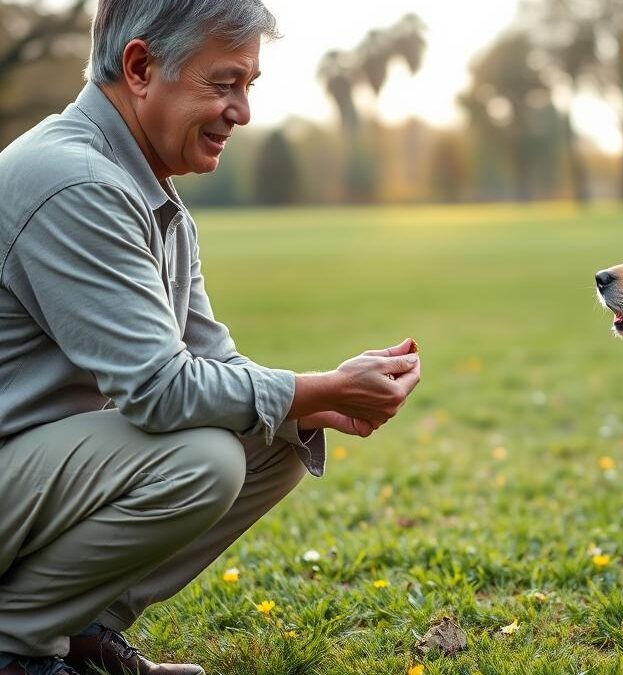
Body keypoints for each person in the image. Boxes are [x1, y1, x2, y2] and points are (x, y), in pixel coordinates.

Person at [0, 1, 421, 673]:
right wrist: (306, 388)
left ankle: (83, 627)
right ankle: (14, 644)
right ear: (141, 67)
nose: (242, 111)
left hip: (29, 476)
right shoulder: (74, 181)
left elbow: (211, 363)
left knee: (279, 435)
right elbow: (161, 390)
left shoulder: (151, 196)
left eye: (249, 87)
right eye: (224, 83)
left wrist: (315, 398)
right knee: (205, 458)